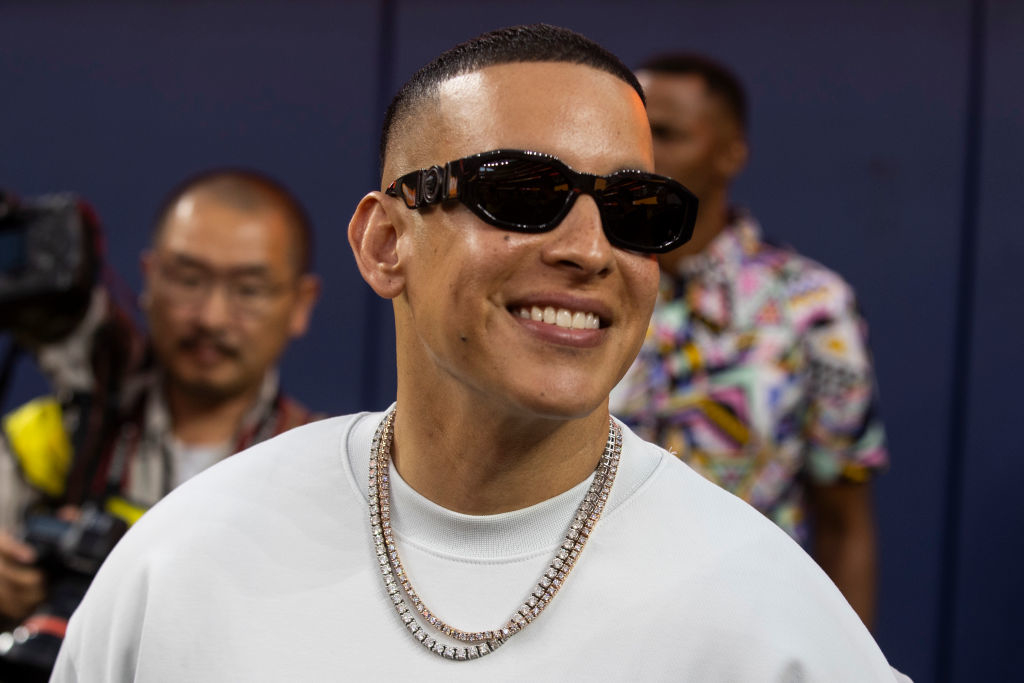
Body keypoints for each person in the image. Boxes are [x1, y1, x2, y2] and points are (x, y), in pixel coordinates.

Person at [52, 25, 907, 681]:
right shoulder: (183, 564)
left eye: (637, 209)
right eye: (522, 194)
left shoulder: (774, 622)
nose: (589, 248)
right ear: (385, 241)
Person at [609, 53, 888, 627]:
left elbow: (844, 519)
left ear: (731, 153)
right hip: (587, 625)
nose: (642, 153)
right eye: (630, 131)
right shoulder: (579, 281)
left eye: (665, 133)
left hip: (747, 633)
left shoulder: (810, 307)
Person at [0, 169, 322, 629]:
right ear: (149, 279)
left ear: (300, 303)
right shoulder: (51, 440)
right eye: (188, 280)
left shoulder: (325, 470)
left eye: (248, 290)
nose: (211, 317)